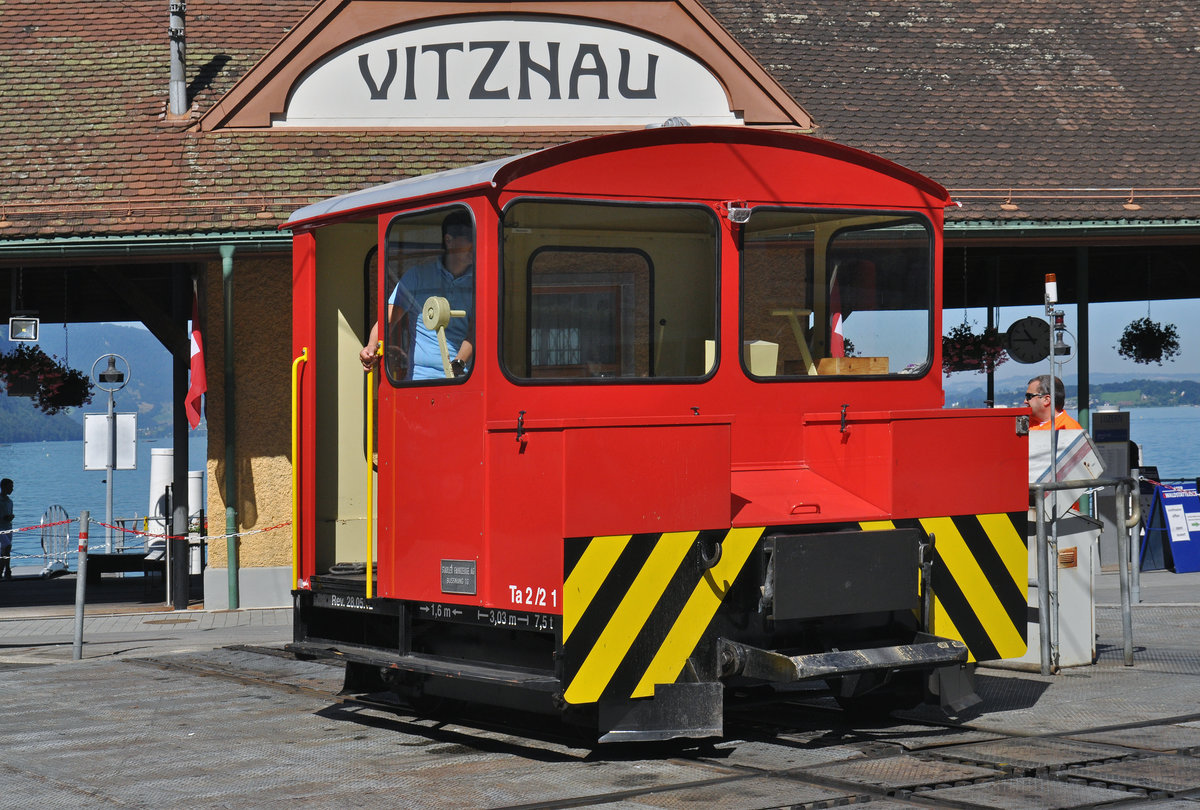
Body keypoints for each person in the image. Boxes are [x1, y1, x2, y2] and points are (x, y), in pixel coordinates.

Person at [360, 210, 474, 380]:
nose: (477, 245)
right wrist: (370, 347)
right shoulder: (417, 277)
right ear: (449, 241)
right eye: (471, 240)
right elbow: (387, 320)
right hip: (420, 381)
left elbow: (476, 332)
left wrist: (458, 365)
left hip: (464, 380)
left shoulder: (480, 281)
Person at [0, 478, 13, 581]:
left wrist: (10, 517)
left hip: (8, 528)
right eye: (10, 487)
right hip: (0, 528)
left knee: (5, 550)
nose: (12, 489)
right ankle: (7, 569)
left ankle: (1, 570)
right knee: (7, 546)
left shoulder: (10, 501)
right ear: (3, 487)